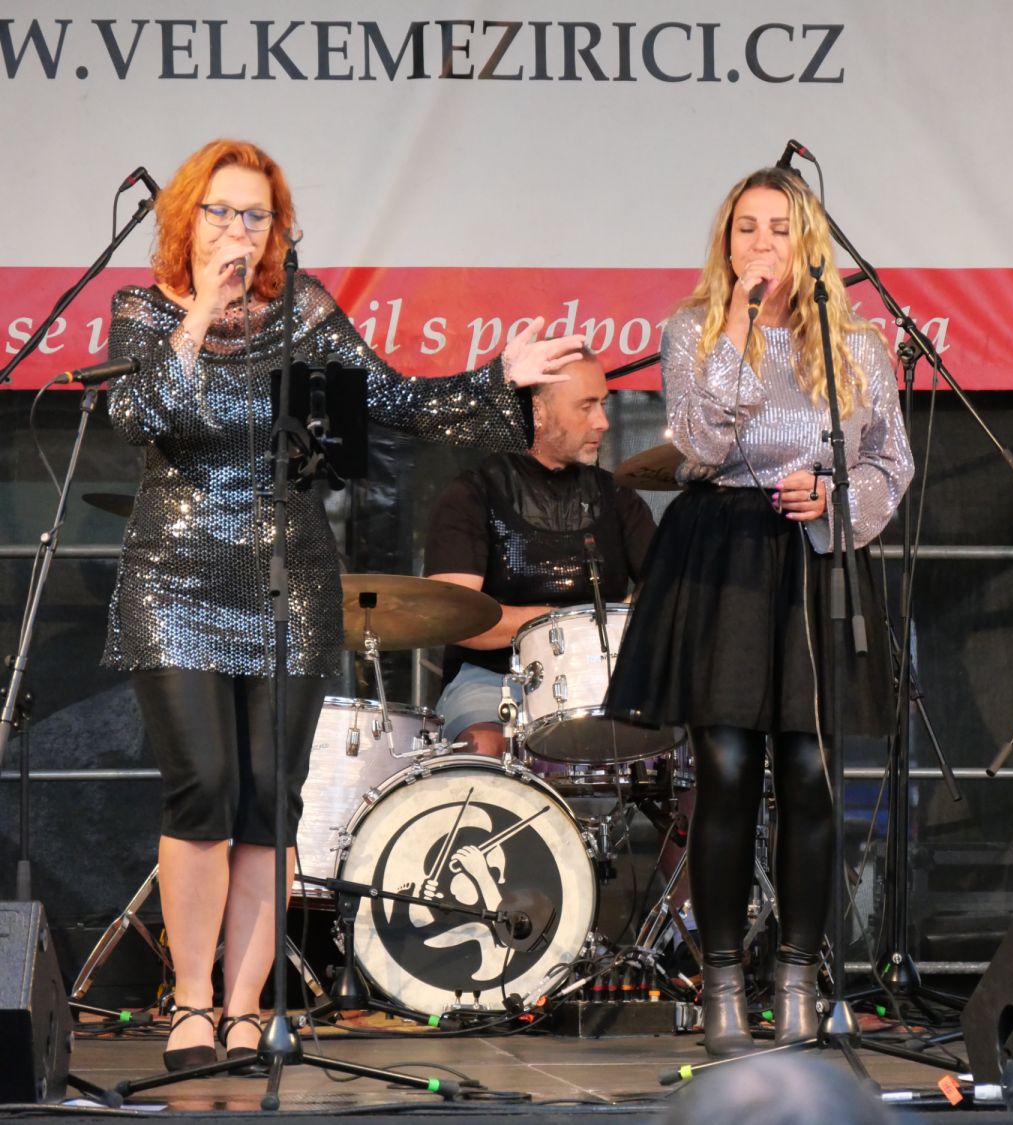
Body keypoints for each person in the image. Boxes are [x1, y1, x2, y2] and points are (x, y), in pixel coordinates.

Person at [104, 138, 582, 1072]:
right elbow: (139, 415)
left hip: (288, 580)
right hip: (175, 577)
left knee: (266, 799)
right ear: (187, 217)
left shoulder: (306, 312)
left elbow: (397, 403)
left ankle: (244, 1007)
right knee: (202, 784)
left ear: (277, 230)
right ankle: (190, 1001)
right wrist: (199, 312)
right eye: (221, 211)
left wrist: (497, 378)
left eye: (256, 216)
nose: (239, 230)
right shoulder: (142, 311)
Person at [604, 167, 914, 1055]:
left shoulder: (858, 346)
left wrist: (838, 498)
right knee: (729, 769)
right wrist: (739, 322)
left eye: (779, 228)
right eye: (746, 228)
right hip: (724, 552)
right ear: (726, 241)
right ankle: (723, 982)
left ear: (807, 242)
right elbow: (702, 442)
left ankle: (799, 975)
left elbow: (891, 462)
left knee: (812, 770)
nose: (762, 243)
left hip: (816, 555)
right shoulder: (692, 329)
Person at [423, 351, 656, 757]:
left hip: (604, 672)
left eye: (603, 404)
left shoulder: (617, 496)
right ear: (539, 411)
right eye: (586, 406)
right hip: (495, 678)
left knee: (681, 738)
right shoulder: (472, 494)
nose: (603, 421)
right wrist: (568, 625)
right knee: (484, 746)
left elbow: (666, 587)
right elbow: (454, 616)